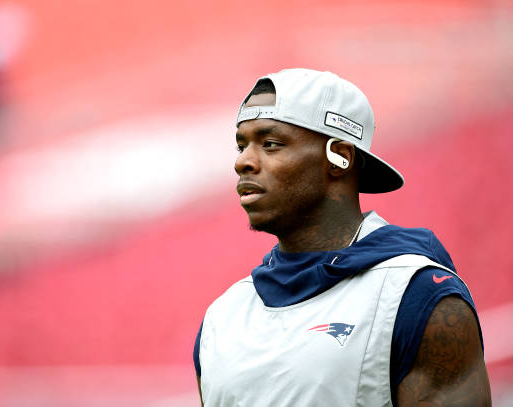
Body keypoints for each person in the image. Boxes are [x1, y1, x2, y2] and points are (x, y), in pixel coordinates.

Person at [193, 69, 491, 406]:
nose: (243, 162)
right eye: (241, 145)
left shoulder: (418, 298)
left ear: (340, 158)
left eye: (270, 144)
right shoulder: (221, 319)